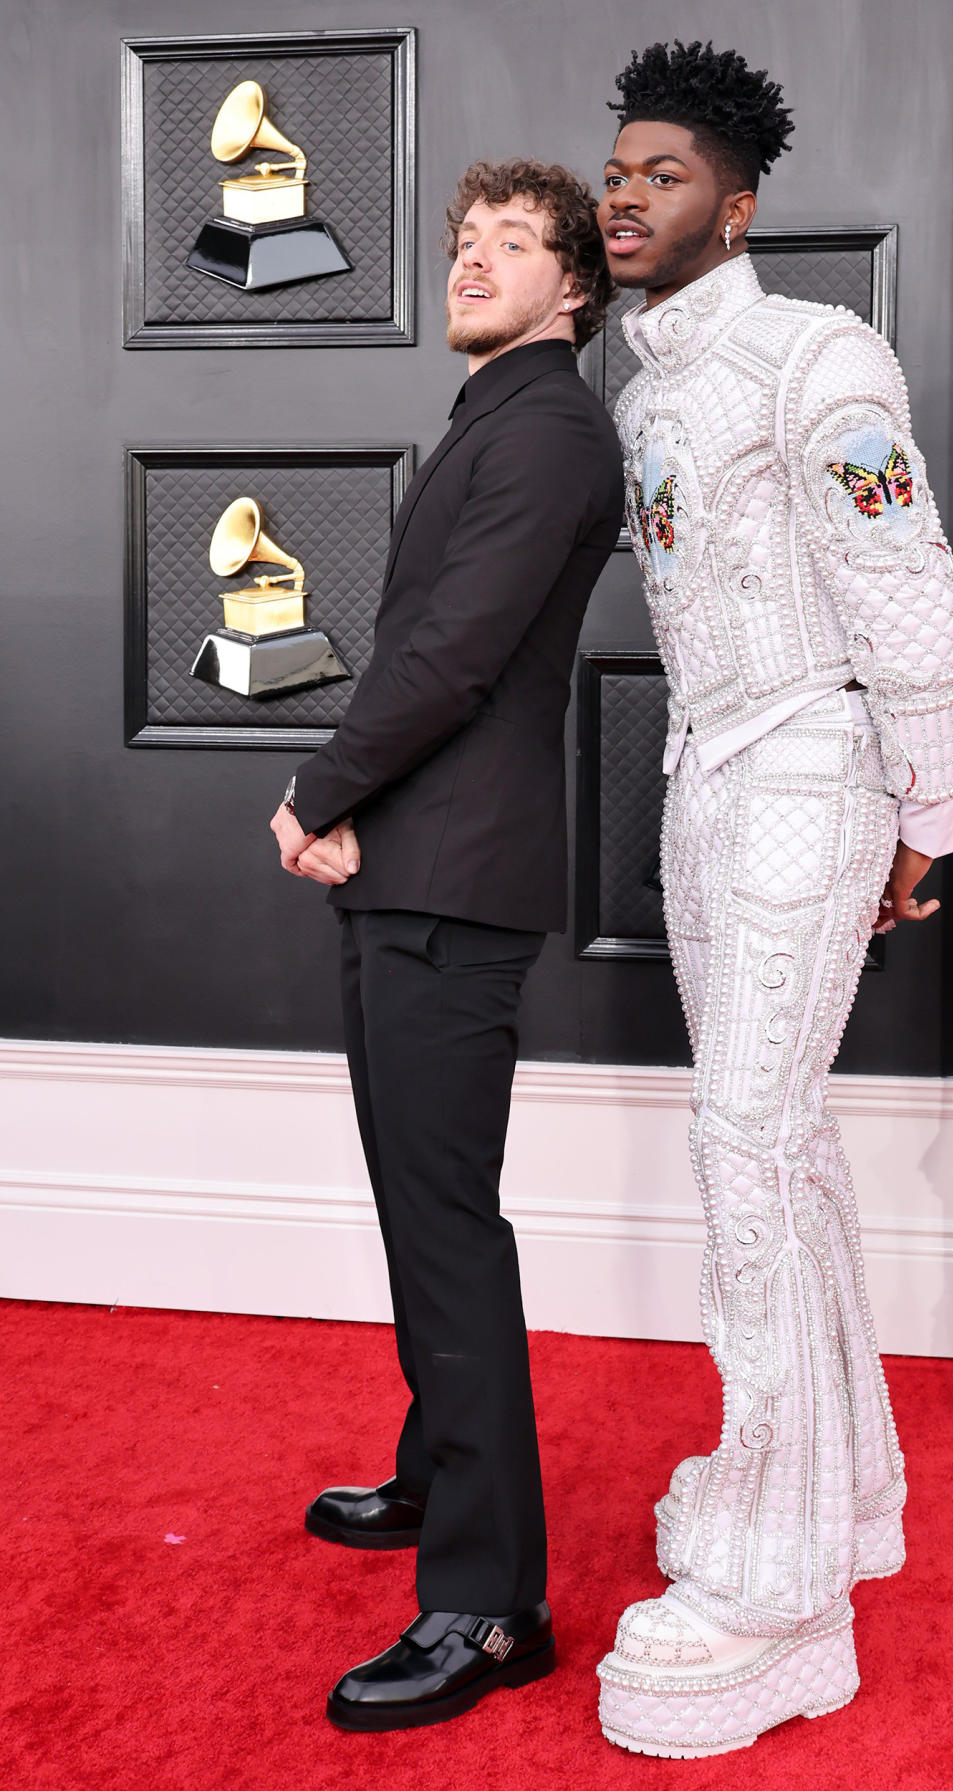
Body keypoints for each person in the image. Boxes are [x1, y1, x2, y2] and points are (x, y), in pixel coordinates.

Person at [592, 41, 953, 1758]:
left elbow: (901, 576)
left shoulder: (815, 354)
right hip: (702, 777)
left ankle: (774, 1582)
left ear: (734, 209)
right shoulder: (640, 385)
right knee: (775, 1141)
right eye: (615, 172)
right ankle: (839, 1497)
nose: (622, 194)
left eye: (661, 175)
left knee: (747, 1146)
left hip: (811, 769)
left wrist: (929, 801)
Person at [268, 159, 623, 1733]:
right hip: (408, 865)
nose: (472, 262)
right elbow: (423, 647)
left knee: (448, 1232)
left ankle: (490, 1606)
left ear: (576, 289)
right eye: (463, 241)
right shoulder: (497, 421)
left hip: (450, 882)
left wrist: (319, 791)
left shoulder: (549, 431)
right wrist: (353, 819)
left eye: (513, 245)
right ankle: (433, 1479)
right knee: (421, 1214)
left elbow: (456, 658)